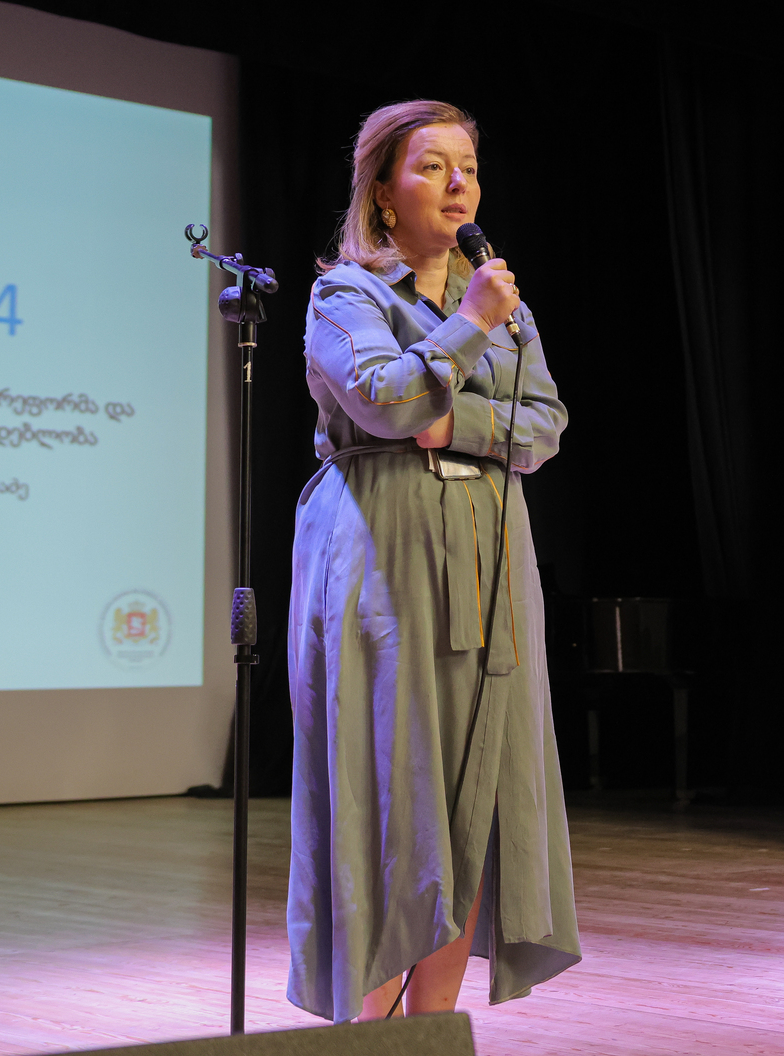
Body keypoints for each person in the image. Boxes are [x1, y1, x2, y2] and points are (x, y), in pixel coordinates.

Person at [285, 100, 579, 1023]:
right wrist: (471, 329)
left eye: (469, 168)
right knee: (393, 797)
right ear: (382, 193)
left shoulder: (500, 303)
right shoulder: (348, 295)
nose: (459, 185)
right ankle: (366, 1036)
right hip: (387, 556)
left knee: (477, 799)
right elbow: (383, 401)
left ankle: (434, 1034)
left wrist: (456, 422)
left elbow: (546, 425)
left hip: (492, 559)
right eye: (433, 167)